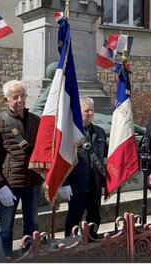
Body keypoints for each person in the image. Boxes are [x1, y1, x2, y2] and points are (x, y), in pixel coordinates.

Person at [0, 80, 43, 260]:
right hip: (10, 185)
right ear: (5, 99)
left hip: (33, 182)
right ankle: (4, 259)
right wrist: (0, 187)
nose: (20, 100)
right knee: (6, 228)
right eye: (15, 97)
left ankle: (30, 257)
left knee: (32, 225)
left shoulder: (35, 120)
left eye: (23, 96)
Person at [58, 96, 108, 238]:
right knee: (74, 219)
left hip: (95, 184)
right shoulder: (69, 133)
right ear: (78, 112)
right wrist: (64, 183)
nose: (91, 114)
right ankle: (70, 246)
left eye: (92, 110)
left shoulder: (100, 132)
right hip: (76, 185)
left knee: (95, 217)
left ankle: (91, 244)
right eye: (87, 111)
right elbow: (62, 160)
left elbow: (106, 153)